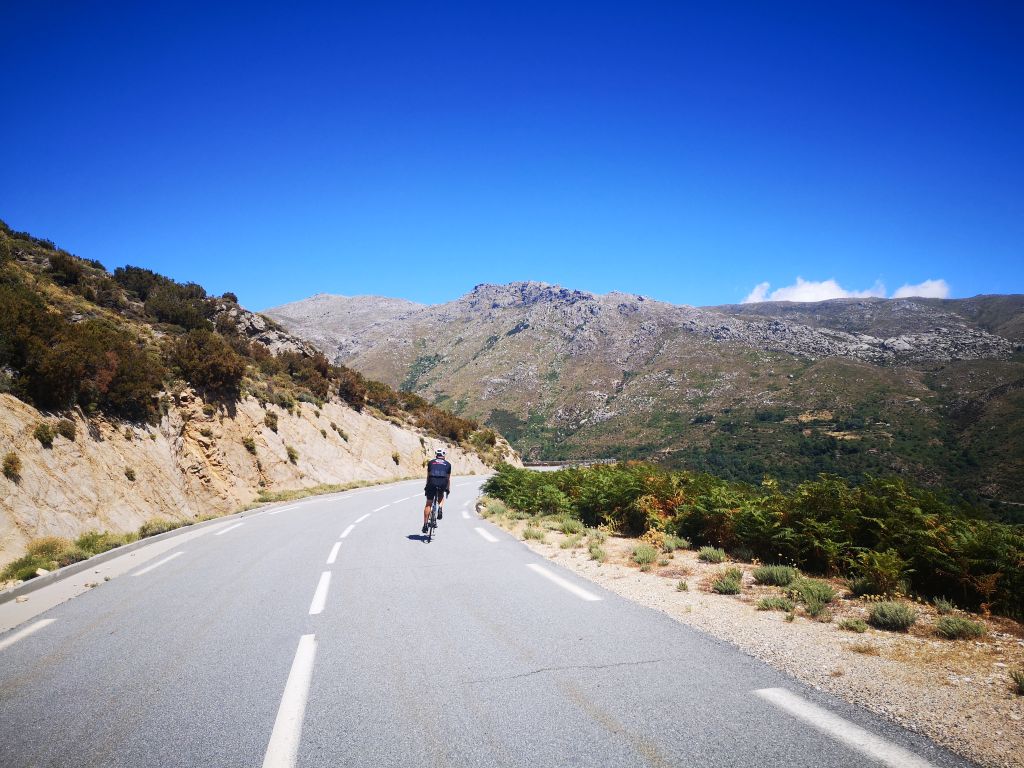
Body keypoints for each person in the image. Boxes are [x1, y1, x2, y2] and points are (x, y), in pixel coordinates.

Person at [423, 448, 451, 534]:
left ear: (436, 454)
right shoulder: (448, 464)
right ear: (443, 455)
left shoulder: (431, 462)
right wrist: (448, 489)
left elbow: (428, 476)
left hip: (432, 482)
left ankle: (425, 525)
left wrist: (427, 486)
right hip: (442, 482)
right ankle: (440, 508)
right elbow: (448, 478)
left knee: (428, 503)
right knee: (441, 495)